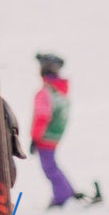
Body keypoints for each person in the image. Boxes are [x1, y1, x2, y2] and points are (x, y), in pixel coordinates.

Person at [31, 52, 76, 207]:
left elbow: (41, 117)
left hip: (46, 136)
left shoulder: (45, 93)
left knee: (49, 167)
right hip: (55, 134)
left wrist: (35, 138)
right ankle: (66, 191)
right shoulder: (59, 90)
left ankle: (63, 195)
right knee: (52, 165)